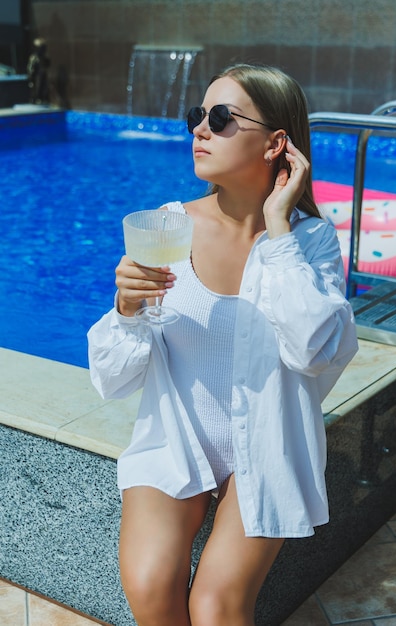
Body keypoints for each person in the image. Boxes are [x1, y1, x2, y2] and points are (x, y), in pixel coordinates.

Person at [87, 63, 358, 626]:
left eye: (219, 118)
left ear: (276, 143)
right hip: (177, 436)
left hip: (268, 442)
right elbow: (111, 380)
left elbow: (316, 350)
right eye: (197, 116)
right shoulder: (165, 226)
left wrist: (279, 227)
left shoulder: (310, 242)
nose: (199, 130)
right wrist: (127, 307)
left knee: (216, 609)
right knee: (150, 587)